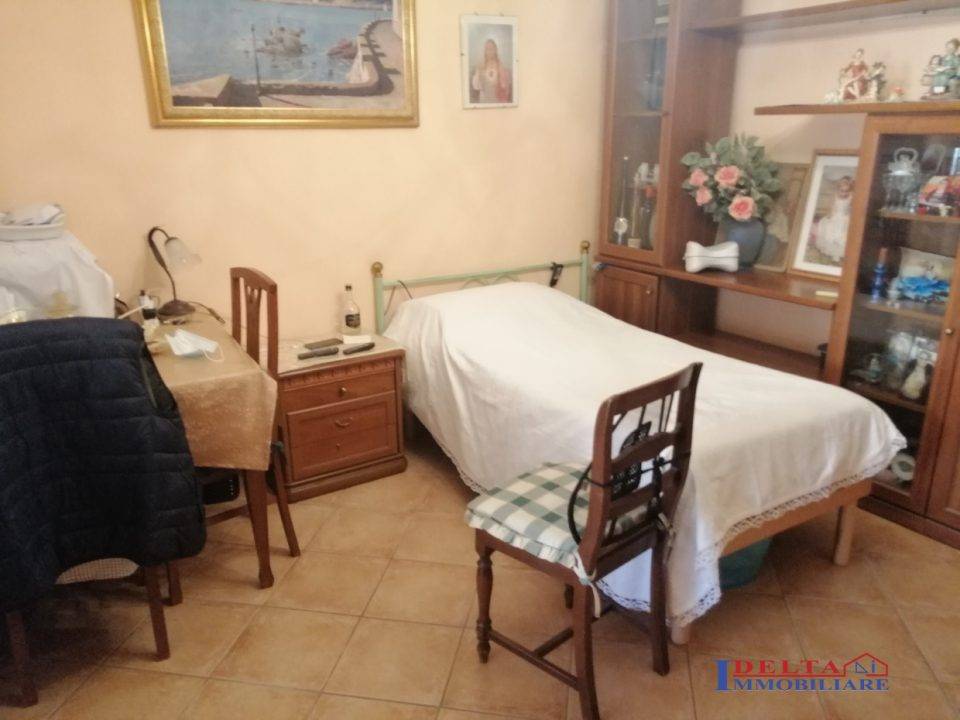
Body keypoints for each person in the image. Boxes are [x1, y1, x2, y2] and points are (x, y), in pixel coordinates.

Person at [812, 176, 854, 264]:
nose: (844, 193)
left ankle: (840, 253)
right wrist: (830, 215)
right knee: (830, 227)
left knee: (844, 230)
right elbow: (831, 207)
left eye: (846, 191)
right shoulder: (835, 196)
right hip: (835, 215)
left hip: (845, 216)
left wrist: (849, 213)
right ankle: (834, 253)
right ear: (838, 190)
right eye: (842, 191)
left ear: (849, 191)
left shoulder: (850, 197)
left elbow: (850, 208)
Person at [472, 38, 511, 104]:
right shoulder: (480, 65)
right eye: (487, 49)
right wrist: (478, 73)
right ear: (485, 51)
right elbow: (476, 86)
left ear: (495, 50)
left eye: (491, 49)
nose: (489, 51)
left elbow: (504, 87)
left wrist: (501, 82)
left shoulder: (500, 65)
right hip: (484, 98)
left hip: (496, 98)